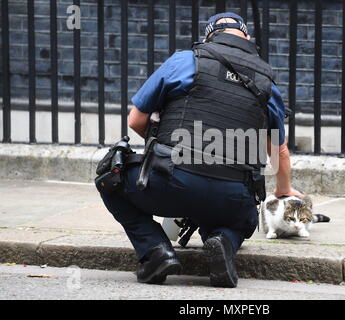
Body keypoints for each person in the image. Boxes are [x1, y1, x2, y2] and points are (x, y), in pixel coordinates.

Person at [99, 12, 303, 288]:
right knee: (236, 219)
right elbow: (278, 152)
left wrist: (161, 145)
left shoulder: (185, 61)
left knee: (108, 178)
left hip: (171, 182)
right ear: (247, 38)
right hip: (232, 197)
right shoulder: (267, 83)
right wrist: (284, 190)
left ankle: (156, 251)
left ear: (208, 36)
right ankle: (224, 243)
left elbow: (136, 120)